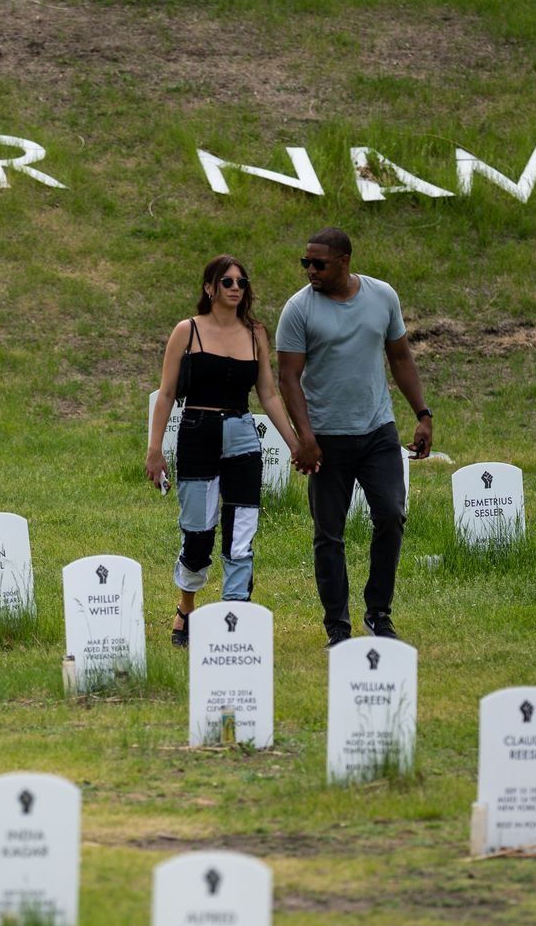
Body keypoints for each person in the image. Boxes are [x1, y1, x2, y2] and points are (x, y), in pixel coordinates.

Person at [275, 227, 432, 645]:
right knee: (329, 533)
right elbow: (288, 378)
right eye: (305, 263)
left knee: (391, 515)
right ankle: (337, 628)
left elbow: (400, 357)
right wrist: (304, 437)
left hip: (378, 432)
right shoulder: (298, 309)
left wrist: (422, 414)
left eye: (319, 264)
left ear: (344, 261)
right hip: (326, 439)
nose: (310, 270)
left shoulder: (383, 296)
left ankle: (378, 614)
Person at [146, 255, 302, 647]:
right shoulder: (188, 331)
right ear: (209, 287)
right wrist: (154, 450)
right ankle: (186, 608)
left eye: (241, 282)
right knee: (198, 533)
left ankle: (234, 615)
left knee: (241, 532)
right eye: (227, 281)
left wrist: (296, 443)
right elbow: (166, 393)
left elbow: (267, 393)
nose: (236, 288)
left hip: (243, 435)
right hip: (197, 432)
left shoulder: (256, 334)